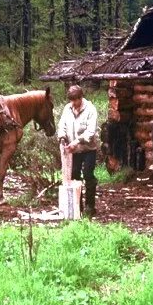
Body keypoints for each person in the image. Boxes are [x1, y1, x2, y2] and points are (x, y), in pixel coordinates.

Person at [57, 84, 99, 217]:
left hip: (88, 149)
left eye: (76, 100)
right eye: (71, 100)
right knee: (74, 176)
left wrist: (76, 142)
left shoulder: (90, 109)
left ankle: (90, 206)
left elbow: (90, 132)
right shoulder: (67, 109)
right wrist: (62, 138)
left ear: (81, 98)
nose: (74, 103)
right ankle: (77, 206)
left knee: (88, 174)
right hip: (73, 151)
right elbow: (62, 125)